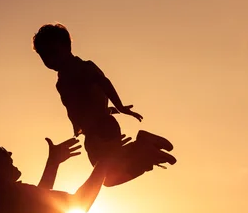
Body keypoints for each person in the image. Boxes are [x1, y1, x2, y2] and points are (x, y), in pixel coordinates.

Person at [32, 23, 176, 187]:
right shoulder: (63, 79)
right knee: (111, 172)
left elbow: (104, 83)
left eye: (53, 53)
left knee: (107, 174)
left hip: (100, 129)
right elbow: (86, 102)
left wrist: (120, 106)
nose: (50, 60)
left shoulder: (80, 68)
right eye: (44, 56)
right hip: (94, 131)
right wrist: (110, 110)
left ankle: (144, 145)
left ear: (66, 46)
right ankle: (147, 152)